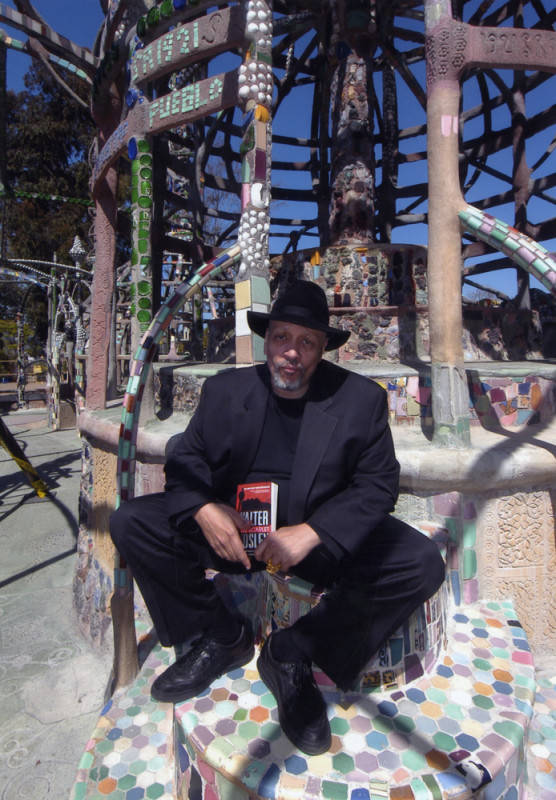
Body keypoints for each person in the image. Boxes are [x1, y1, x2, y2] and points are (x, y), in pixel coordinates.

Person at [110, 280, 444, 756]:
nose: (291, 353)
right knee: (131, 523)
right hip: (237, 537)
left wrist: (312, 533)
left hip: (314, 545)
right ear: (267, 340)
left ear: (323, 348)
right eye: (282, 338)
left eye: (306, 342)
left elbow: (377, 485)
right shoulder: (225, 392)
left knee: (420, 563)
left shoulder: (359, 400)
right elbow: (186, 461)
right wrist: (206, 510)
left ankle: (293, 653)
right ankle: (221, 636)